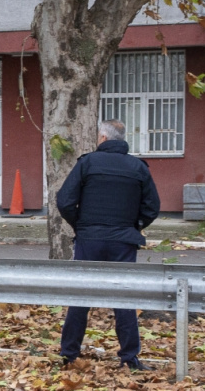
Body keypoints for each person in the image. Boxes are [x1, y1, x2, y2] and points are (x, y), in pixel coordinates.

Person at [55, 119, 160, 371]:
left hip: (89, 239)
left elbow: (65, 200)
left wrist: (81, 226)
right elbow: (152, 207)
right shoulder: (138, 167)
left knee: (81, 296)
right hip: (123, 241)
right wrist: (134, 226)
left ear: (103, 138)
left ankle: (69, 353)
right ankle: (130, 357)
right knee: (124, 297)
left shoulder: (88, 163)